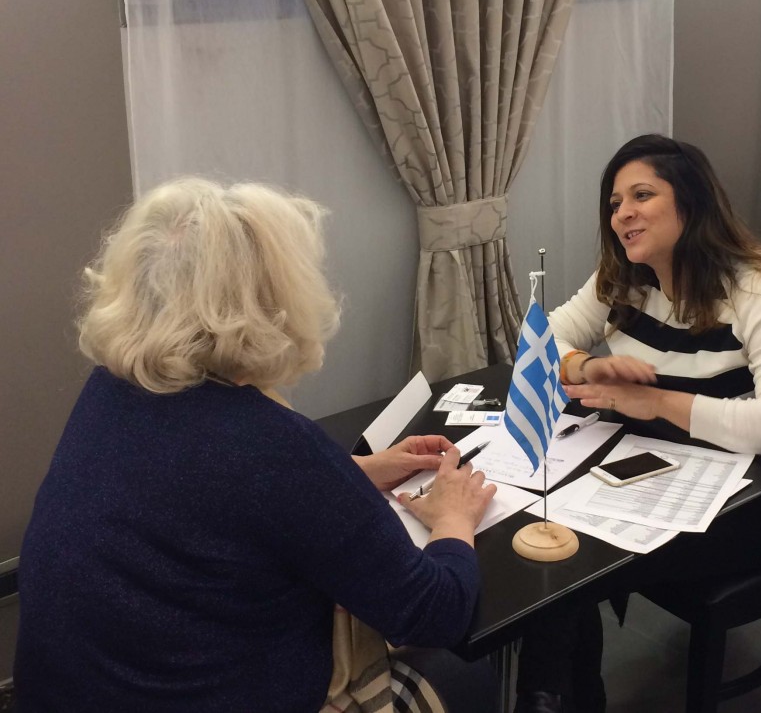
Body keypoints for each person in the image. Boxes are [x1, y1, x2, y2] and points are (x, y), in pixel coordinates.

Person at [14, 178, 498, 713]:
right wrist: (454, 518)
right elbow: (433, 613)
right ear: (276, 300)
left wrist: (350, 473)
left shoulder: (109, 392)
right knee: (464, 673)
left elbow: (201, 499)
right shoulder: (273, 448)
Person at [514, 135, 761, 713]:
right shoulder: (623, 279)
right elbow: (539, 343)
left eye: (641, 195)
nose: (622, 214)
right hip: (667, 468)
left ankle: (549, 697)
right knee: (550, 529)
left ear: (691, 200)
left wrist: (657, 402)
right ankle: (558, 696)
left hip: (756, 493)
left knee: (572, 554)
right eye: (614, 203)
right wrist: (585, 364)